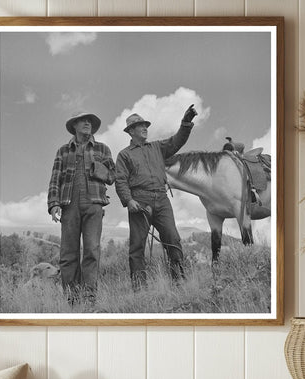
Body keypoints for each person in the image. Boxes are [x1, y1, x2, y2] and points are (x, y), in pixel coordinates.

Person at [115, 105, 197, 291]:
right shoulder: (124, 155)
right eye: (140, 126)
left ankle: (179, 281)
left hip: (161, 198)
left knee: (173, 239)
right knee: (137, 246)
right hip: (139, 201)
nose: (145, 128)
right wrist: (129, 200)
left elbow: (177, 141)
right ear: (131, 131)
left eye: (145, 125)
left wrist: (186, 123)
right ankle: (139, 288)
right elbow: (120, 180)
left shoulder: (157, 147)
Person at [47, 112, 115, 303]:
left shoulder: (102, 149)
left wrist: (97, 168)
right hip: (69, 206)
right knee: (68, 253)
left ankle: (89, 297)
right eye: (83, 121)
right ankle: (71, 298)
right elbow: (55, 179)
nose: (87, 124)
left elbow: (112, 176)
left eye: (90, 122)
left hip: (94, 204)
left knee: (92, 250)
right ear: (74, 126)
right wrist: (53, 204)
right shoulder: (63, 151)